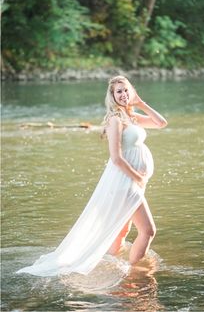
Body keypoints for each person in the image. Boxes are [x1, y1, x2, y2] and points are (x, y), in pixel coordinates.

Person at [16, 76, 167, 277]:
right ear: (112, 96)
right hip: (125, 182)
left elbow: (161, 123)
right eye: (118, 92)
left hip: (134, 182)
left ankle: (113, 269)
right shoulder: (116, 120)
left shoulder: (132, 116)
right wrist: (137, 178)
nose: (123, 94)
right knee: (148, 231)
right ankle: (135, 274)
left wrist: (140, 103)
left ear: (132, 91)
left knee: (121, 230)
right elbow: (116, 158)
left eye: (126, 90)